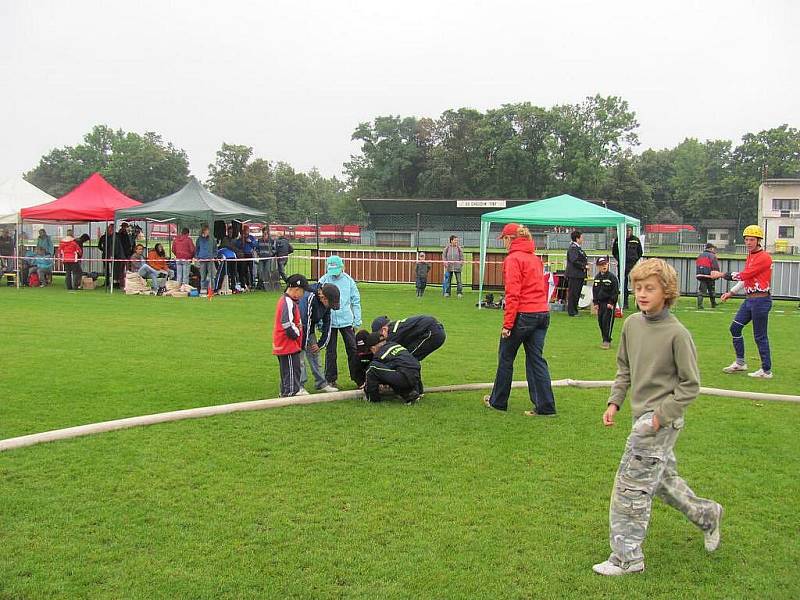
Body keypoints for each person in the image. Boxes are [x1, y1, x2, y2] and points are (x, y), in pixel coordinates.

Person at [593, 258, 722, 576]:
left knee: (631, 487)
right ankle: (708, 515)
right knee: (663, 484)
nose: (642, 294)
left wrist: (660, 417)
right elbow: (624, 369)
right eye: (637, 288)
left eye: (649, 288)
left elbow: (690, 386)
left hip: (659, 424)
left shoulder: (678, 334)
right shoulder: (631, 325)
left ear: (667, 291)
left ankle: (627, 559)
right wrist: (614, 403)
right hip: (641, 417)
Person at [483, 223, 557, 416]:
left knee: (506, 358)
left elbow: (513, 294)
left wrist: (507, 325)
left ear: (509, 239)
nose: (503, 244)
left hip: (523, 315)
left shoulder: (513, 259)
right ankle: (545, 406)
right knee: (536, 360)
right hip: (542, 313)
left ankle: (498, 401)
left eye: (504, 240)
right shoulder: (535, 259)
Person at [710, 225, 774, 379]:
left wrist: (721, 274)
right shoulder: (751, 256)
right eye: (746, 239)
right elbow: (748, 278)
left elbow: (745, 275)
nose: (748, 242)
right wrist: (731, 292)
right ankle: (740, 363)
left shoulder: (764, 257)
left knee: (760, 336)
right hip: (750, 300)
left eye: (752, 239)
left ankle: (766, 370)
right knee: (735, 328)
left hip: (760, 300)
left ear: (759, 240)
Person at [370, 314, 446, 396]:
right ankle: (416, 390)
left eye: (379, 335)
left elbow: (386, 356)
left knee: (408, 359)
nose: (380, 339)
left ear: (384, 329)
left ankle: (413, 391)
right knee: (409, 358)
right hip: (433, 329)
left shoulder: (392, 334)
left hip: (432, 332)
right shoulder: (394, 328)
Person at [318, 255, 362, 388]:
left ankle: (358, 378)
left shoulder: (349, 281)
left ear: (342, 267)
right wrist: (320, 322)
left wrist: (357, 319)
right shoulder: (323, 280)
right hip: (329, 321)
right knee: (330, 351)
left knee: (353, 349)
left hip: (347, 321)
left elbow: (356, 300)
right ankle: (330, 379)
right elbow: (319, 302)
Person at [298, 283, 341, 393]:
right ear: (323, 297)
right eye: (329, 303)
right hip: (299, 329)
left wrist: (320, 344)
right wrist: (303, 344)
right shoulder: (309, 297)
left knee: (315, 355)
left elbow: (328, 323)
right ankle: (299, 386)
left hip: (309, 328)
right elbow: (304, 320)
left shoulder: (326, 304)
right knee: (300, 357)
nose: (329, 307)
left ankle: (321, 383)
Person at [273, 273, 310, 397]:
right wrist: (296, 334)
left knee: (291, 368)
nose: (303, 295)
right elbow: (287, 323)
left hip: (288, 344)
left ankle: (288, 391)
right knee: (291, 369)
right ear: (296, 290)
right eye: (303, 292)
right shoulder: (287, 302)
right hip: (287, 344)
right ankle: (289, 393)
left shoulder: (289, 301)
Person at [361, 331, 422, 405]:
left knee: (372, 368)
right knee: (396, 370)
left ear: (373, 348)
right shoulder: (395, 345)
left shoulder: (380, 355)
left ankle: (372, 399)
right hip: (416, 376)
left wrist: (367, 385)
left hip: (404, 377)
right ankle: (410, 393)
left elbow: (379, 374)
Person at [613, 225, 643, 309]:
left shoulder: (635, 240)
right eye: (626, 231)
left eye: (629, 230)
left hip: (633, 266)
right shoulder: (618, 239)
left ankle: (639, 303)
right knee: (623, 285)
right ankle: (625, 303)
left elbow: (640, 252)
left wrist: (634, 260)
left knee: (637, 284)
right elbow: (614, 252)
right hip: (622, 265)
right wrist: (620, 259)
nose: (627, 232)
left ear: (631, 231)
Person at [592, 256, 619, 349]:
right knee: (601, 322)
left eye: (605, 264)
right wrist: (595, 303)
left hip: (608, 303)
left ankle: (607, 340)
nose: (604, 266)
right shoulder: (597, 278)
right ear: (598, 267)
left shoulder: (612, 277)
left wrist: (611, 302)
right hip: (600, 303)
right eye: (601, 265)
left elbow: (615, 291)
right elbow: (594, 291)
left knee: (607, 322)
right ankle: (604, 338)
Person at [565, 230, 588, 317]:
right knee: (573, 293)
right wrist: (584, 266)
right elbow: (574, 260)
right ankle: (572, 311)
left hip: (579, 275)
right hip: (574, 274)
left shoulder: (577, 248)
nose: (583, 239)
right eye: (581, 237)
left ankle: (575, 309)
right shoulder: (573, 248)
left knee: (577, 292)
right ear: (577, 238)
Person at [695, 243, 719, 309]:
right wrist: (717, 275)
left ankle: (699, 305)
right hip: (709, 275)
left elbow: (697, 265)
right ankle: (713, 304)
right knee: (712, 290)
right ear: (711, 248)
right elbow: (715, 266)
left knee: (701, 291)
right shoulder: (712, 256)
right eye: (714, 249)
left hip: (700, 275)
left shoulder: (700, 255)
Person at [195, 225, 215, 294]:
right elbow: (197, 248)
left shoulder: (212, 239)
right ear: (203, 231)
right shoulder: (199, 239)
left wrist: (214, 256)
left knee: (210, 276)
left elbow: (215, 249)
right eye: (206, 230)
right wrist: (197, 256)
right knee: (203, 276)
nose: (208, 231)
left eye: (208, 230)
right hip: (202, 260)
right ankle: (203, 289)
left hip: (210, 259)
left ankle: (211, 289)